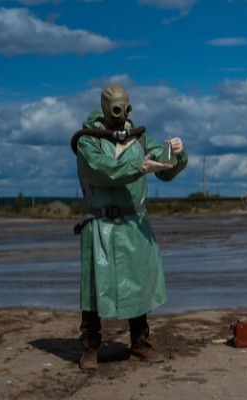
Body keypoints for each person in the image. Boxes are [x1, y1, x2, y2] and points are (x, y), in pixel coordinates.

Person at [71, 85, 188, 370]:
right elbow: (101, 170)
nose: (120, 115)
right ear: (104, 107)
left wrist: (176, 154)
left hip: (134, 223)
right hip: (100, 223)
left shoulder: (140, 138)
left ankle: (140, 342)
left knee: (138, 284)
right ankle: (89, 347)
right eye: (114, 108)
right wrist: (138, 168)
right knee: (94, 289)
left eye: (123, 108)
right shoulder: (89, 141)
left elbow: (164, 166)